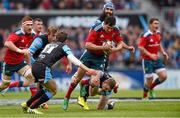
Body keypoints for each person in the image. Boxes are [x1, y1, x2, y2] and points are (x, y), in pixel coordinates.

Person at [63, 16, 134, 110]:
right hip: (89, 55)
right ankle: (67, 97)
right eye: (108, 27)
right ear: (104, 23)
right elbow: (87, 45)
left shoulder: (115, 30)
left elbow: (120, 43)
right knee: (77, 79)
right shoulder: (97, 28)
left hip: (100, 58)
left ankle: (84, 88)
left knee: (95, 82)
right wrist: (102, 48)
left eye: (111, 28)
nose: (109, 30)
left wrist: (115, 49)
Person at [21, 31, 97, 114]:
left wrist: (69, 64)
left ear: (56, 38)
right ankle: (32, 107)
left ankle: (26, 104)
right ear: (66, 41)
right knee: (53, 90)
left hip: (36, 65)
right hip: (43, 67)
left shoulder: (49, 44)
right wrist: (87, 69)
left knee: (46, 88)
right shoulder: (64, 46)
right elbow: (73, 59)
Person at [0, 16, 35, 93]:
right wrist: (19, 50)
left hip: (20, 63)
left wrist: (29, 66)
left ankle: (34, 101)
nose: (30, 27)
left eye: (31, 25)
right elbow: (7, 43)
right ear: (23, 25)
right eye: (28, 25)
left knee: (32, 77)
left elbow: (26, 52)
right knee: (4, 85)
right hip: (9, 63)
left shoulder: (32, 35)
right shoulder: (18, 33)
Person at [138, 18, 169, 99]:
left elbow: (158, 44)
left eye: (158, 23)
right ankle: (144, 96)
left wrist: (163, 52)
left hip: (156, 59)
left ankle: (151, 88)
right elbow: (140, 47)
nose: (157, 25)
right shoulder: (146, 35)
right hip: (147, 60)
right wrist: (150, 55)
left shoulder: (158, 34)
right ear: (150, 24)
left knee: (164, 76)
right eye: (155, 23)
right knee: (149, 80)